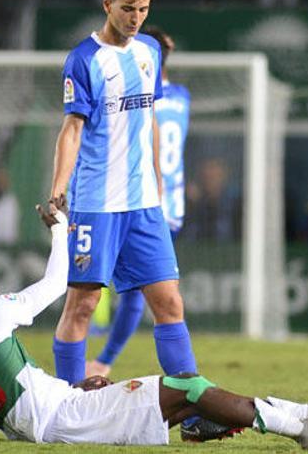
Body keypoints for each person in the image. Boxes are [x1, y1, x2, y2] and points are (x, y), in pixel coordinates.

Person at [0, 195, 308, 448]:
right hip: (72, 418)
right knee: (188, 385)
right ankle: (303, 423)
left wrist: (74, 388)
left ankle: (214, 420)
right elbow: (54, 284)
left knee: (189, 395)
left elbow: (16, 407)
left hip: (58, 421)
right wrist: (59, 228)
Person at [49, 0, 230, 441]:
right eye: (128, 8)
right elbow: (72, 129)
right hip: (96, 202)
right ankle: (69, 408)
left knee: (169, 302)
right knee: (83, 304)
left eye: (144, 9)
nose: (136, 18)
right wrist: (58, 189)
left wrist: (158, 182)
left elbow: (147, 118)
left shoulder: (150, 51)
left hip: (144, 204)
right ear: (107, 3)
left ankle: (191, 413)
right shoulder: (83, 59)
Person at [85, 26, 190, 378]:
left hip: (138, 197)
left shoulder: (140, 97)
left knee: (127, 292)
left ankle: (102, 361)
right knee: (149, 294)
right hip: (171, 202)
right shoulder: (183, 98)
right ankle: (105, 359)